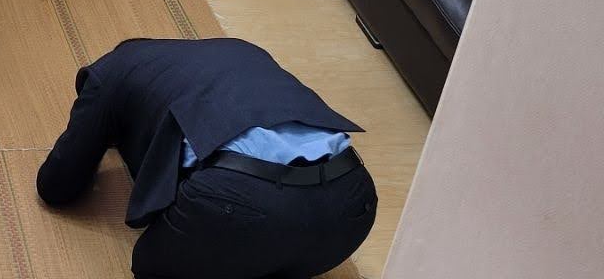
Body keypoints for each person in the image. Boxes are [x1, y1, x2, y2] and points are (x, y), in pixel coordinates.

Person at [37, 38, 377, 279]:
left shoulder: (109, 72)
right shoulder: (239, 49)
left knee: (150, 264)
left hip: (242, 200)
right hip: (351, 207)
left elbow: (56, 186)